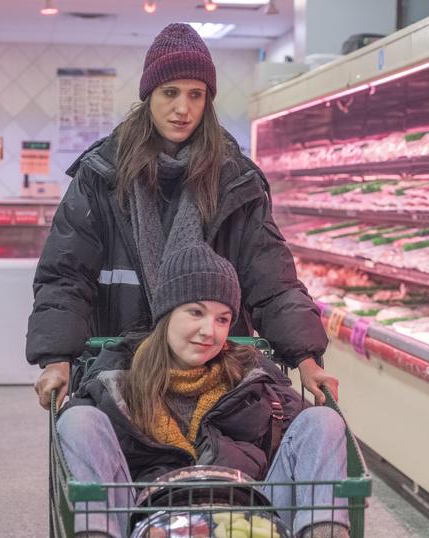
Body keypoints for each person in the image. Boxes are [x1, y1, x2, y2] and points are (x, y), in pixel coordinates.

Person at [27, 22, 337, 410]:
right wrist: (56, 358)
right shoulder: (102, 176)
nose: (182, 109)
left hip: (219, 376)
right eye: (169, 93)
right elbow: (65, 275)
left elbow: (272, 279)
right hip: (122, 374)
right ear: (149, 95)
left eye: (196, 94)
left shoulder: (235, 181)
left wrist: (305, 358)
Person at [56, 227, 350, 538]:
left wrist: (308, 364)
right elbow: (81, 437)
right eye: (195, 312)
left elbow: (311, 439)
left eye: (222, 319)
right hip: (148, 516)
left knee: (323, 420)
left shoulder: (252, 375)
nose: (209, 331)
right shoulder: (117, 377)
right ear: (165, 315)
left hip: (249, 518)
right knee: (78, 419)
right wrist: (55, 365)